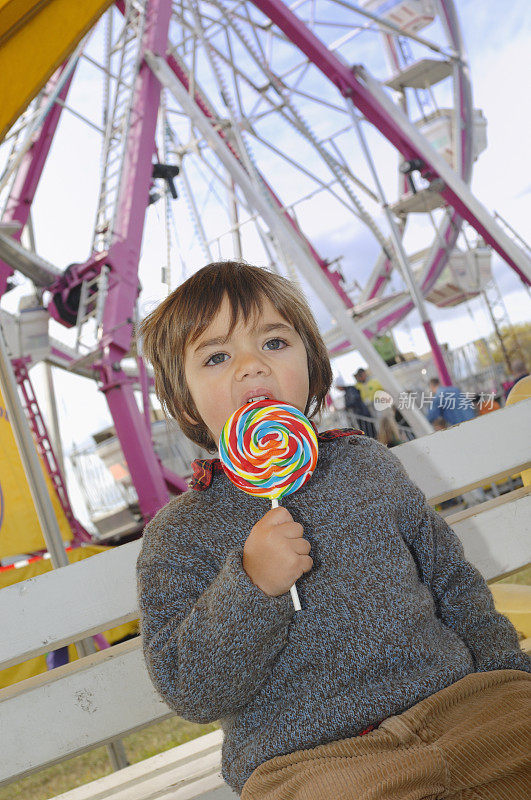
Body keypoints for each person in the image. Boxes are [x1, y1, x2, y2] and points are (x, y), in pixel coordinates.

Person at [137, 261, 530, 800]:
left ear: (313, 364)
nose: (252, 367)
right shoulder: (179, 535)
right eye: (218, 356)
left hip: (460, 705)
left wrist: (508, 677)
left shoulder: (366, 464)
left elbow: (452, 582)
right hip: (312, 762)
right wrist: (250, 586)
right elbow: (192, 690)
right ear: (183, 399)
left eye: (274, 342)